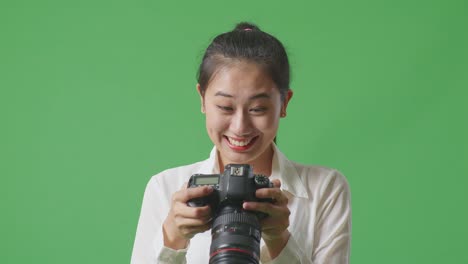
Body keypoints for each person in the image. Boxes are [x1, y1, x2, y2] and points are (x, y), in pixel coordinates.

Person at [131, 22, 351, 264]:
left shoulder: (324, 189)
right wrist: (172, 239)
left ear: (284, 103)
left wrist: (279, 238)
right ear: (203, 99)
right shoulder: (165, 188)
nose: (240, 127)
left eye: (258, 108)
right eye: (225, 107)